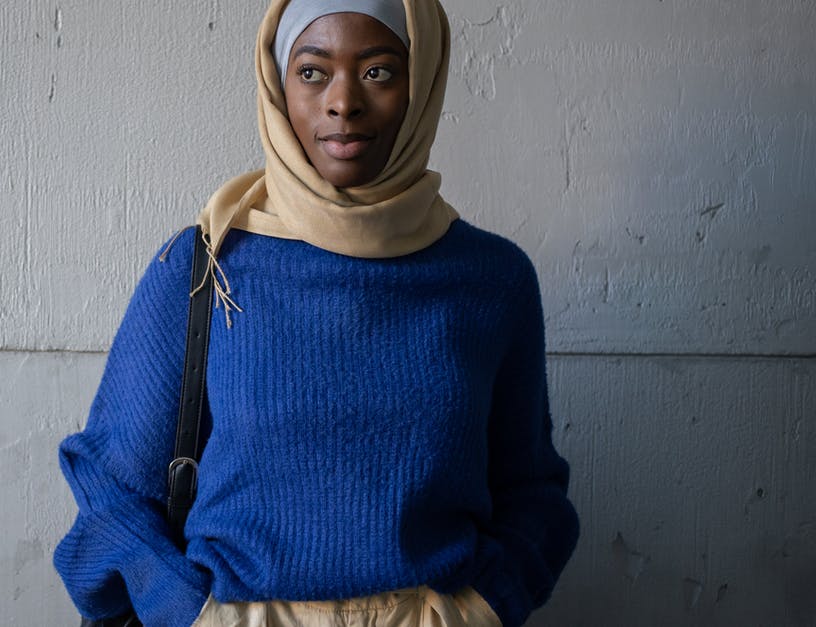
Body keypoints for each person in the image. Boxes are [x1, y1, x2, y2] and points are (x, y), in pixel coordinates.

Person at [52, 0, 580, 625]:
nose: (343, 101)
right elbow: (111, 488)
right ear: (278, 87)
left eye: (378, 71)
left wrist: (484, 607)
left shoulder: (493, 279)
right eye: (312, 72)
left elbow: (532, 497)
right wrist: (190, 613)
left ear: (424, 81)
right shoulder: (206, 267)